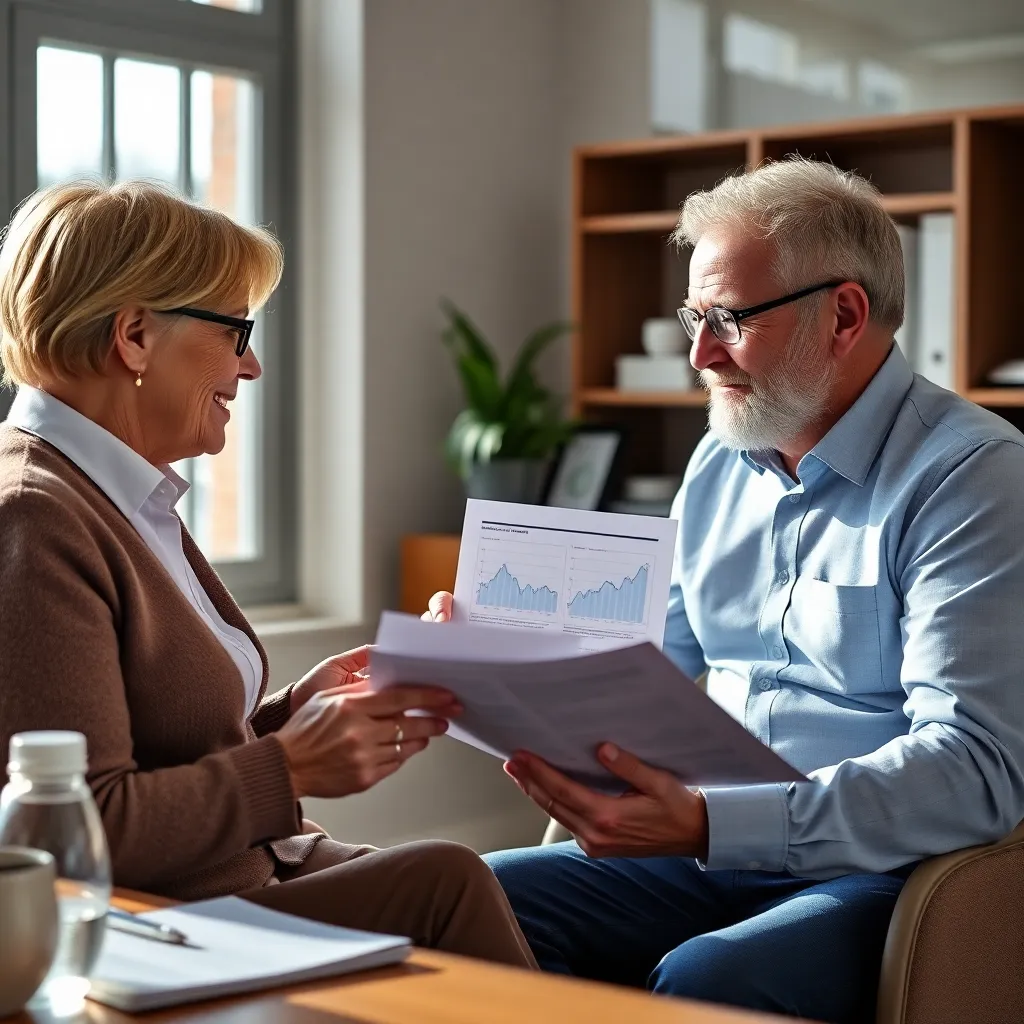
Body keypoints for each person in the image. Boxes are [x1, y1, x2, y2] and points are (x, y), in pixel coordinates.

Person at [425, 157, 1024, 1021]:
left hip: (887, 870)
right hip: (702, 844)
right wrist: (495, 659)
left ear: (844, 316)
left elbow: (974, 768)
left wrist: (713, 824)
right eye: (694, 318)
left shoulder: (972, 478)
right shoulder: (719, 460)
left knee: (715, 978)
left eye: (729, 320)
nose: (700, 355)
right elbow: (649, 666)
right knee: (464, 897)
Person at [0, 179, 535, 969]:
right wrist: (291, 765)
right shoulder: (34, 516)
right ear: (136, 336)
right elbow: (86, 828)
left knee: (467, 885)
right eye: (235, 331)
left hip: (244, 877)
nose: (250, 366)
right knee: (447, 882)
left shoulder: (114, 491)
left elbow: (163, 753)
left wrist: (292, 714)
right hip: (161, 926)